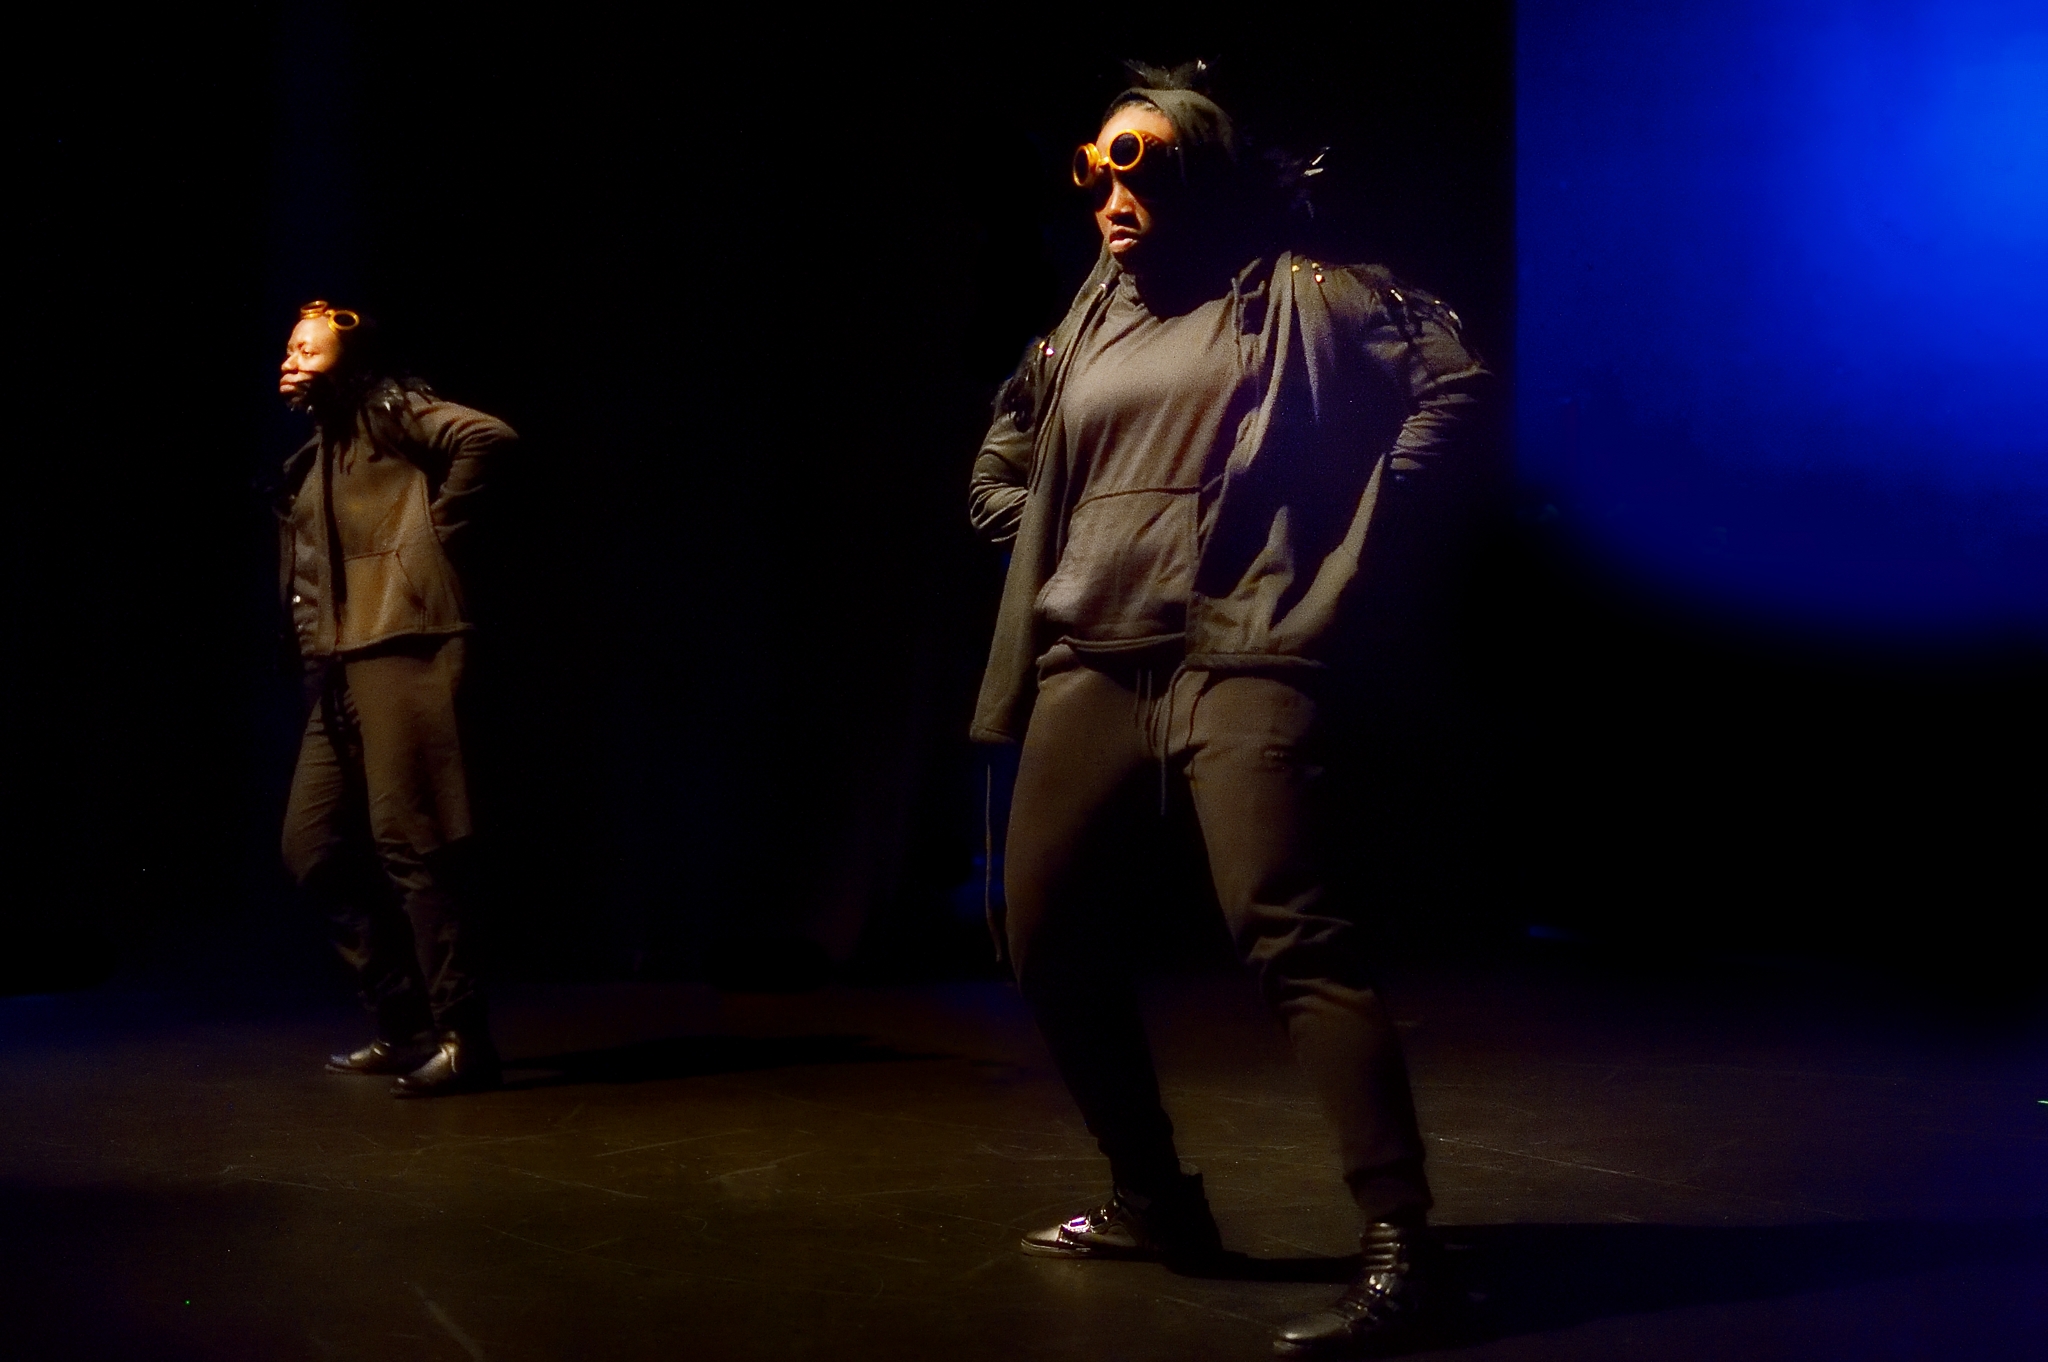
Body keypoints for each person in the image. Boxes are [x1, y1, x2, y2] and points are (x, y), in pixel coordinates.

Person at [967, 65, 1490, 1356]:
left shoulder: (1304, 292)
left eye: (1139, 165)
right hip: (1093, 660)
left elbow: (1455, 383)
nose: (1111, 195)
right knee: (1041, 935)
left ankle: (1403, 1243)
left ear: (1199, 168)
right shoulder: (1083, 326)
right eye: (1096, 170)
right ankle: (1152, 1194)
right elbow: (1002, 460)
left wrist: (1357, 528)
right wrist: (1057, 539)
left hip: (1240, 650)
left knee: (1288, 930)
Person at [273, 300, 517, 1098]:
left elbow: (487, 436)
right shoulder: (321, 449)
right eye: (288, 349)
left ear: (351, 361)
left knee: (412, 842)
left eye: (308, 350)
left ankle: (463, 1035)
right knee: (311, 849)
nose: (290, 360)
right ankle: (404, 1025)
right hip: (341, 664)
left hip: (404, 647)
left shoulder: (389, 412)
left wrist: (432, 540)